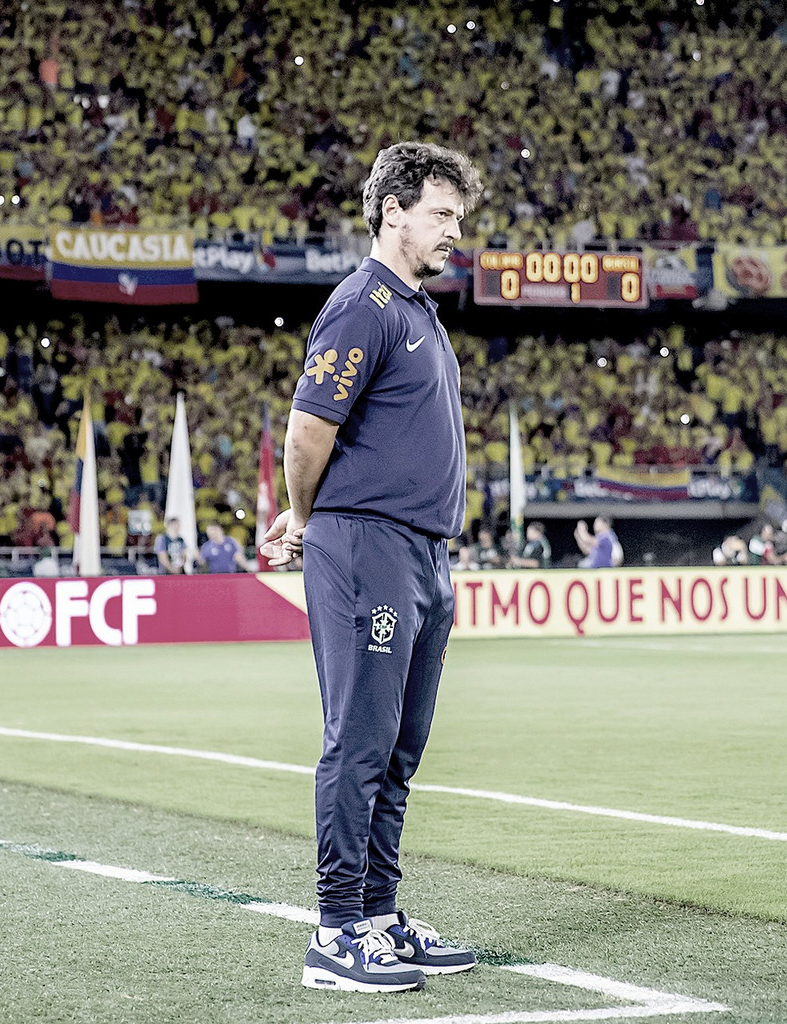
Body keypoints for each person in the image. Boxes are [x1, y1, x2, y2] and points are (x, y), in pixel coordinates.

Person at [259, 142, 483, 994]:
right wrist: (312, 520)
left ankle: (380, 915)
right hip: (370, 548)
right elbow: (307, 430)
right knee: (359, 740)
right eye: (441, 213)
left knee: (400, 746)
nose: (454, 230)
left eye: (458, 216)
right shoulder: (364, 305)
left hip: (422, 549)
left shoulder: (417, 309)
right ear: (392, 208)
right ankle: (337, 929)